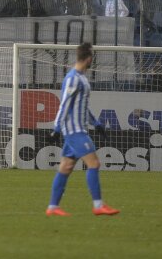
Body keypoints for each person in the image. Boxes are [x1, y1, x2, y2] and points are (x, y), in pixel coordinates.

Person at [47, 42, 119, 217]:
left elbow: (82, 107)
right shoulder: (73, 78)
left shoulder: (82, 79)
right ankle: (98, 205)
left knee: (66, 166)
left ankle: (53, 207)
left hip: (79, 129)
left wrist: (97, 124)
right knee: (94, 163)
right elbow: (64, 104)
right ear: (88, 59)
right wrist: (56, 129)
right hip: (74, 131)